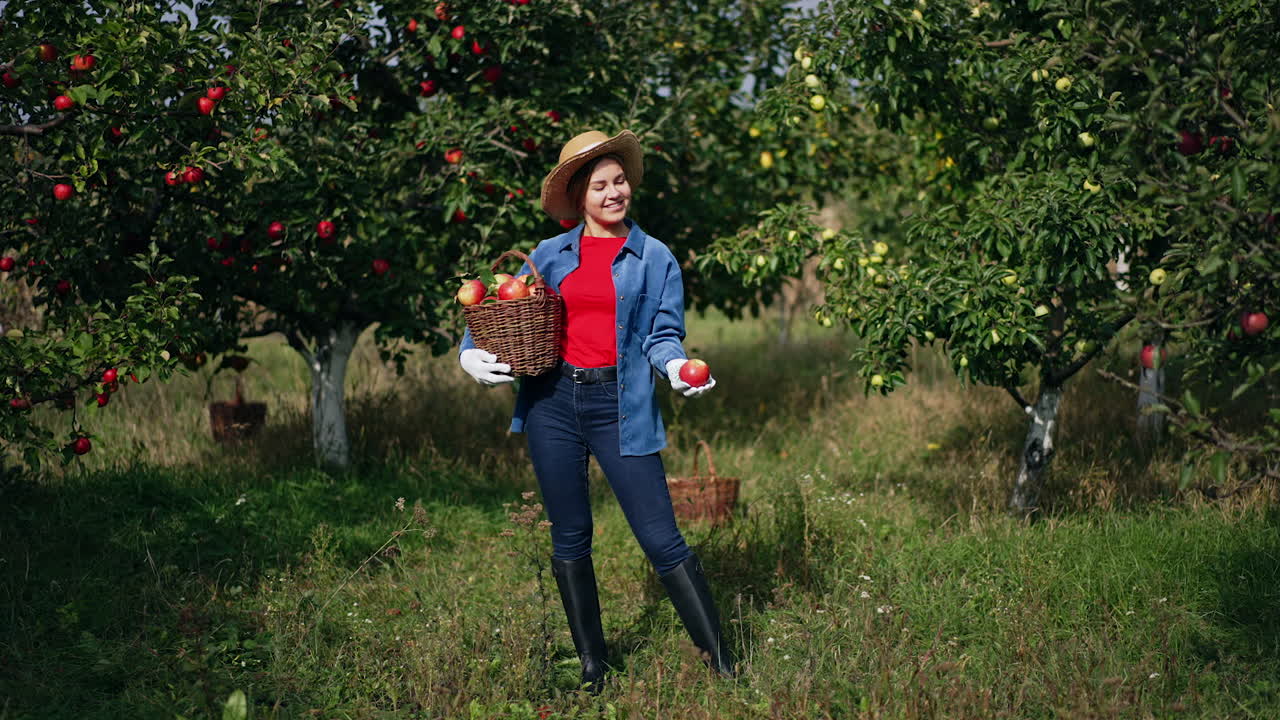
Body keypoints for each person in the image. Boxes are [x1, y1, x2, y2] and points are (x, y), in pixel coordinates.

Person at [458, 129, 737, 689]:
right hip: (552, 402)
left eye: (621, 181)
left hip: (620, 404)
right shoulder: (548, 255)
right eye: (602, 185)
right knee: (570, 535)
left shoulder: (655, 257)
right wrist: (470, 354)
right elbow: (499, 308)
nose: (616, 193)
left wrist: (678, 367)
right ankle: (593, 664)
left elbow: (662, 334)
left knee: (662, 538)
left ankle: (723, 663)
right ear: (580, 197)